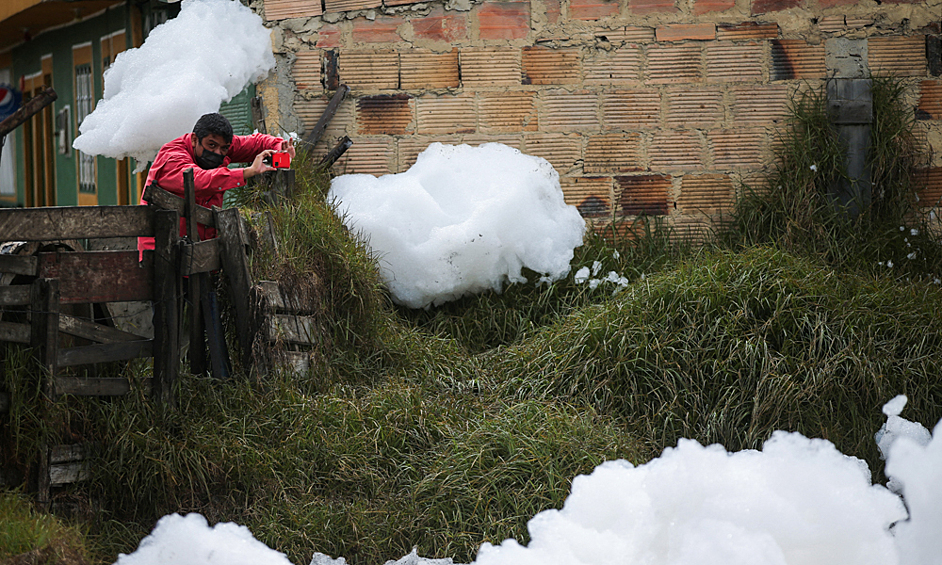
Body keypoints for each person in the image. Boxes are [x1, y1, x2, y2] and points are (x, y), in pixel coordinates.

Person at [138, 112, 295, 255]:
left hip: (200, 249)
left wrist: (280, 148)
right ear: (194, 140)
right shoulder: (172, 157)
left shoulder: (219, 146)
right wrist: (248, 172)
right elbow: (199, 180)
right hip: (161, 253)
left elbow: (256, 143)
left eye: (224, 148)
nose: (217, 153)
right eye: (211, 145)